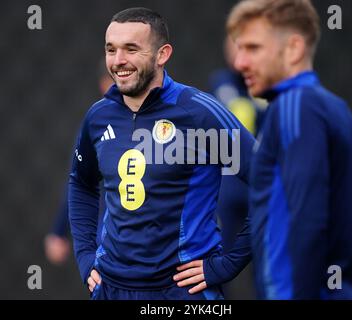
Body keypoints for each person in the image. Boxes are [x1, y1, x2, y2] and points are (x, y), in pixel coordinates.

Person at [68, 7, 255, 300]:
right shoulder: (98, 116)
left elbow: (271, 181)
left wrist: (227, 265)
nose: (118, 61)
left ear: (162, 54)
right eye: (111, 49)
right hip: (111, 289)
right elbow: (80, 183)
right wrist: (84, 256)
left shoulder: (198, 113)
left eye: (131, 49)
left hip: (181, 293)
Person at [226, 0, 352, 299]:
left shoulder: (294, 106)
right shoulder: (333, 107)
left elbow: (304, 219)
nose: (240, 62)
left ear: (293, 48)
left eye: (253, 48)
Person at [209, 36, 267, 299]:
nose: (239, 52)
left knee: (267, 269)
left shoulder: (272, 85)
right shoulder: (220, 83)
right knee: (221, 263)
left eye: (248, 44)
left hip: (263, 189)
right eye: (234, 43)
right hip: (229, 190)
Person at [44, 62, 113, 266]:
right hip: (110, 246)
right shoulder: (95, 125)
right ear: (103, 84)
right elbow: (78, 183)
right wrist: (58, 230)